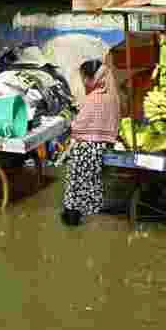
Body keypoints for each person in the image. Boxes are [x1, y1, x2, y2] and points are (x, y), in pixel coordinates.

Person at [61, 58, 121, 226]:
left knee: (76, 180)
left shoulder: (95, 98)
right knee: (92, 180)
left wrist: (70, 121)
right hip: (102, 145)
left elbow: (80, 124)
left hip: (86, 147)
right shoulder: (111, 96)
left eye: (83, 78)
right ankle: (92, 212)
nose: (83, 81)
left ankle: (73, 215)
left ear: (91, 78)